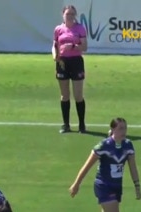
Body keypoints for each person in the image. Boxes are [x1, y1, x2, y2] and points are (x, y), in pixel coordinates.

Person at [69, 118, 141, 212]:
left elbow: (133, 167)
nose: (123, 132)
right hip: (103, 186)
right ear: (113, 130)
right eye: (120, 128)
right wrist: (76, 184)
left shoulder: (128, 145)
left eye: (125, 128)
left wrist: (137, 186)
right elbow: (87, 166)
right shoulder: (104, 146)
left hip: (116, 187)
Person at [52, 5, 88, 134]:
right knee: (65, 95)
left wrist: (72, 46)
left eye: (72, 14)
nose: (70, 16)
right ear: (63, 15)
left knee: (78, 95)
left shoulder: (80, 28)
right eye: (68, 14)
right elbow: (55, 45)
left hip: (76, 62)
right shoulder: (58, 29)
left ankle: (82, 125)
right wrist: (54, 55)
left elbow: (84, 47)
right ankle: (66, 124)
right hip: (62, 63)